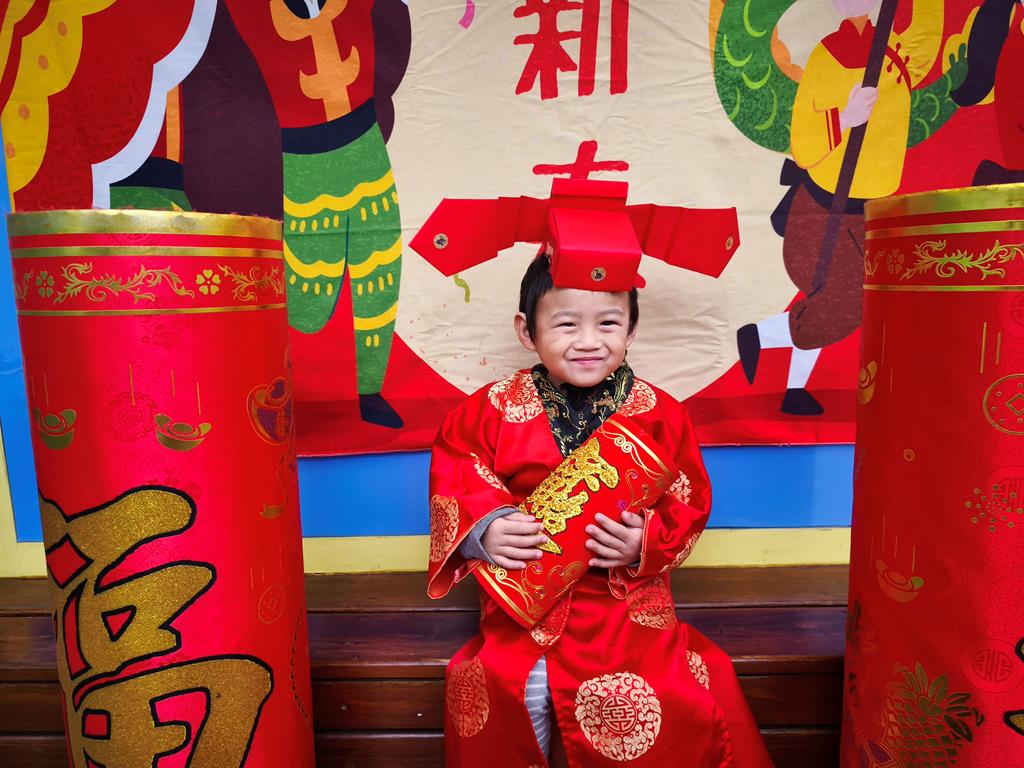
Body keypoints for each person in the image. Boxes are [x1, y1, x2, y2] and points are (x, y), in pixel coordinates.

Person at [427, 246, 773, 766]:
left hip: (623, 601)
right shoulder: (491, 409)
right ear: (527, 331)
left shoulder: (660, 414)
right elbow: (458, 471)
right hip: (525, 600)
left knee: (666, 691)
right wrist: (487, 529)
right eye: (566, 324)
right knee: (503, 685)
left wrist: (644, 542)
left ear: (631, 330)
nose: (589, 341)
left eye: (608, 323)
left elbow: (688, 499)